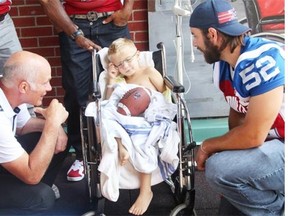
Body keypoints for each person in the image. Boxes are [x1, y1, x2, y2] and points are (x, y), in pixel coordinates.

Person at [189, 0, 284, 215]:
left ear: (212, 35)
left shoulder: (261, 61)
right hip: (273, 145)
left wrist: (207, 146)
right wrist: (226, 149)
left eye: (195, 35)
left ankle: (277, 209)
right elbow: (238, 111)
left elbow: (253, 135)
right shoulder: (224, 63)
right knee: (229, 199)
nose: (194, 43)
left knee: (219, 170)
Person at [38, 0, 135, 182]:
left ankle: (126, 151)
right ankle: (83, 155)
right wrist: (70, 30)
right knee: (76, 93)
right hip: (74, 23)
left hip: (112, 20)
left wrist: (127, 9)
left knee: (123, 86)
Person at [99, 38, 178, 215]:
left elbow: (164, 97)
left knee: (141, 140)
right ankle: (121, 147)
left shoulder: (149, 72)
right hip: (124, 120)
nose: (125, 66)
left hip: (146, 120)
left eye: (128, 60)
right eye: (120, 64)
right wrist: (111, 79)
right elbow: (108, 103)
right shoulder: (120, 81)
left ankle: (145, 191)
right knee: (105, 118)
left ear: (138, 55)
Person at [0, 51, 69, 214]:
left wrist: (56, 127)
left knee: (55, 139)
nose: (49, 88)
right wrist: (52, 123)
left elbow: (23, 126)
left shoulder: (10, 88)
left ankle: (32, 189)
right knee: (42, 198)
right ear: (24, 87)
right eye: (45, 82)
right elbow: (31, 175)